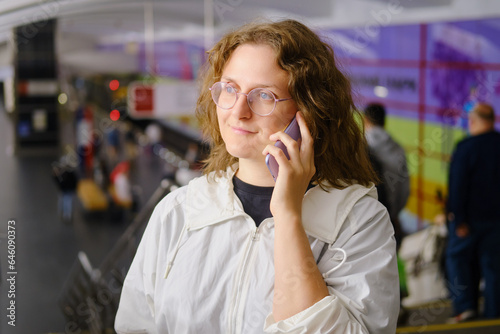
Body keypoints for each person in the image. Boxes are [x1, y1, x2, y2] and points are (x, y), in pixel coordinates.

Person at [115, 19, 399, 334]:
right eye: (230, 88)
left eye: (263, 95)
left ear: (310, 110)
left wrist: (289, 217)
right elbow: (135, 325)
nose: (238, 111)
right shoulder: (179, 211)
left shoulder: (358, 221)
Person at [446, 102, 500, 322]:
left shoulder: (466, 147)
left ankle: (464, 307)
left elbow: (458, 185)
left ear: (474, 121)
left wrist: (458, 218)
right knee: (493, 266)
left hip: (469, 221)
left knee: (457, 259)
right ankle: (494, 313)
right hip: (496, 221)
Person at [363, 103, 410, 249]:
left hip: (363, 220)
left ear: (365, 120)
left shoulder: (357, 147)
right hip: (389, 218)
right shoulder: (398, 149)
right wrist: (394, 213)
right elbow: (404, 189)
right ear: (384, 120)